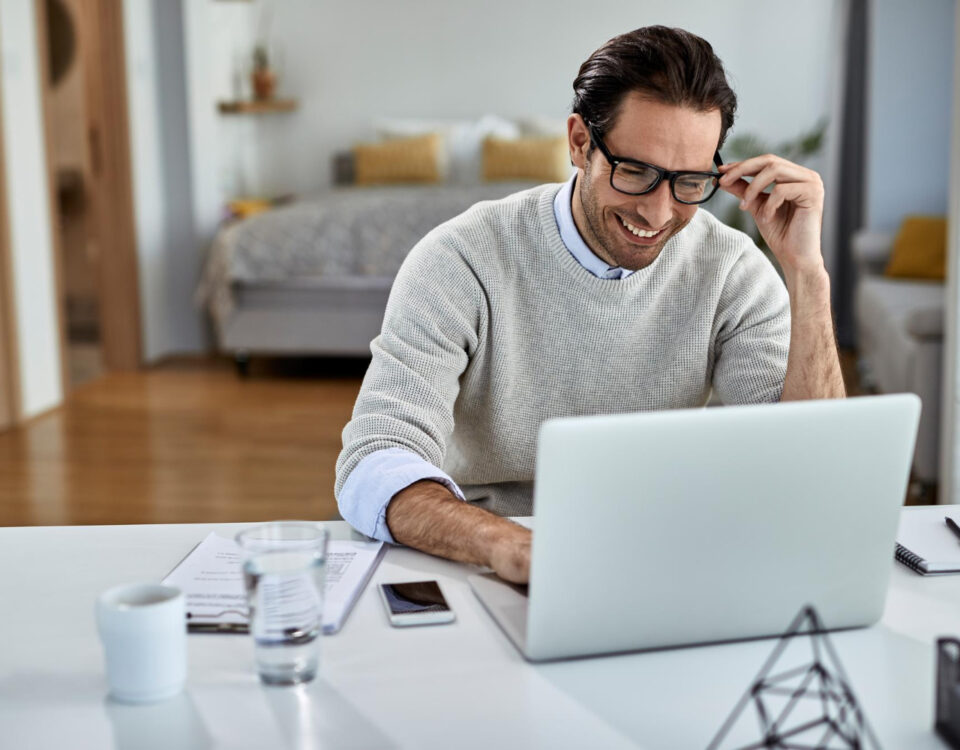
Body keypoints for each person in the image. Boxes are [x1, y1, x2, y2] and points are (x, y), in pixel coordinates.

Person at [334, 26, 845, 584]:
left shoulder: (731, 270)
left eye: (689, 182)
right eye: (636, 172)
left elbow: (810, 474)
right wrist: (515, 548)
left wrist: (807, 275)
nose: (658, 213)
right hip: (489, 563)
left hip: (664, 561)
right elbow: (373, 463)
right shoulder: (461, 259)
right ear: (580, 142)